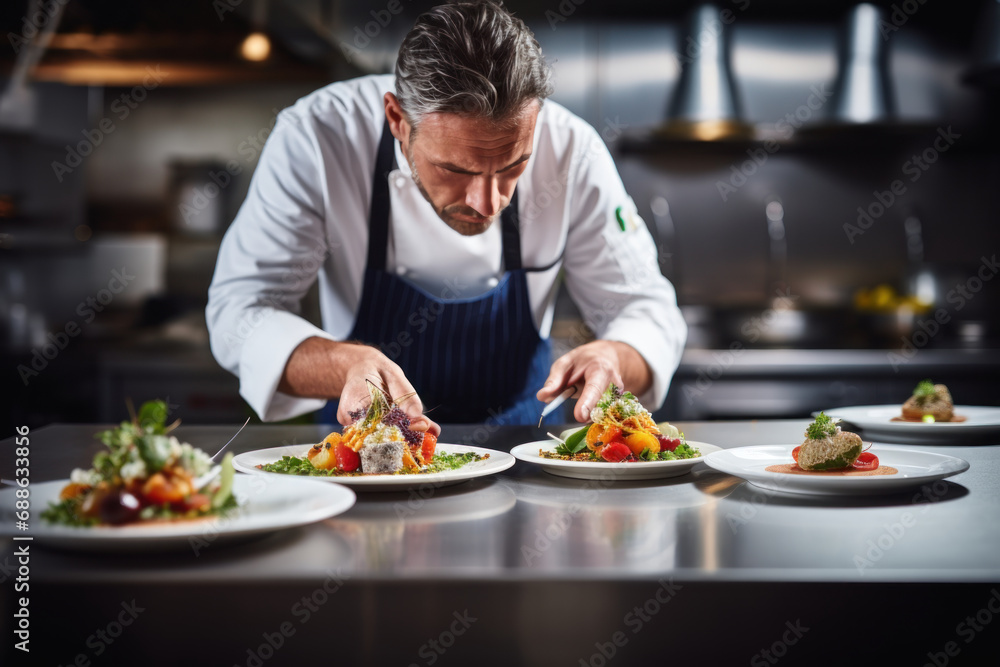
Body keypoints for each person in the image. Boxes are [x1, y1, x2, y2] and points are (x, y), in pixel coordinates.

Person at [207, 1, 686, 435]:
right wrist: (342, 363)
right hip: (368, 458)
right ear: (397, 119)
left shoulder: (572, 152)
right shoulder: (319, 137)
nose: (487, 202)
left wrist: (613, 355)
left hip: (524, 452)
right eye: (454, 170)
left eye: (514, 166)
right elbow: (241, 310)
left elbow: (646, 310)